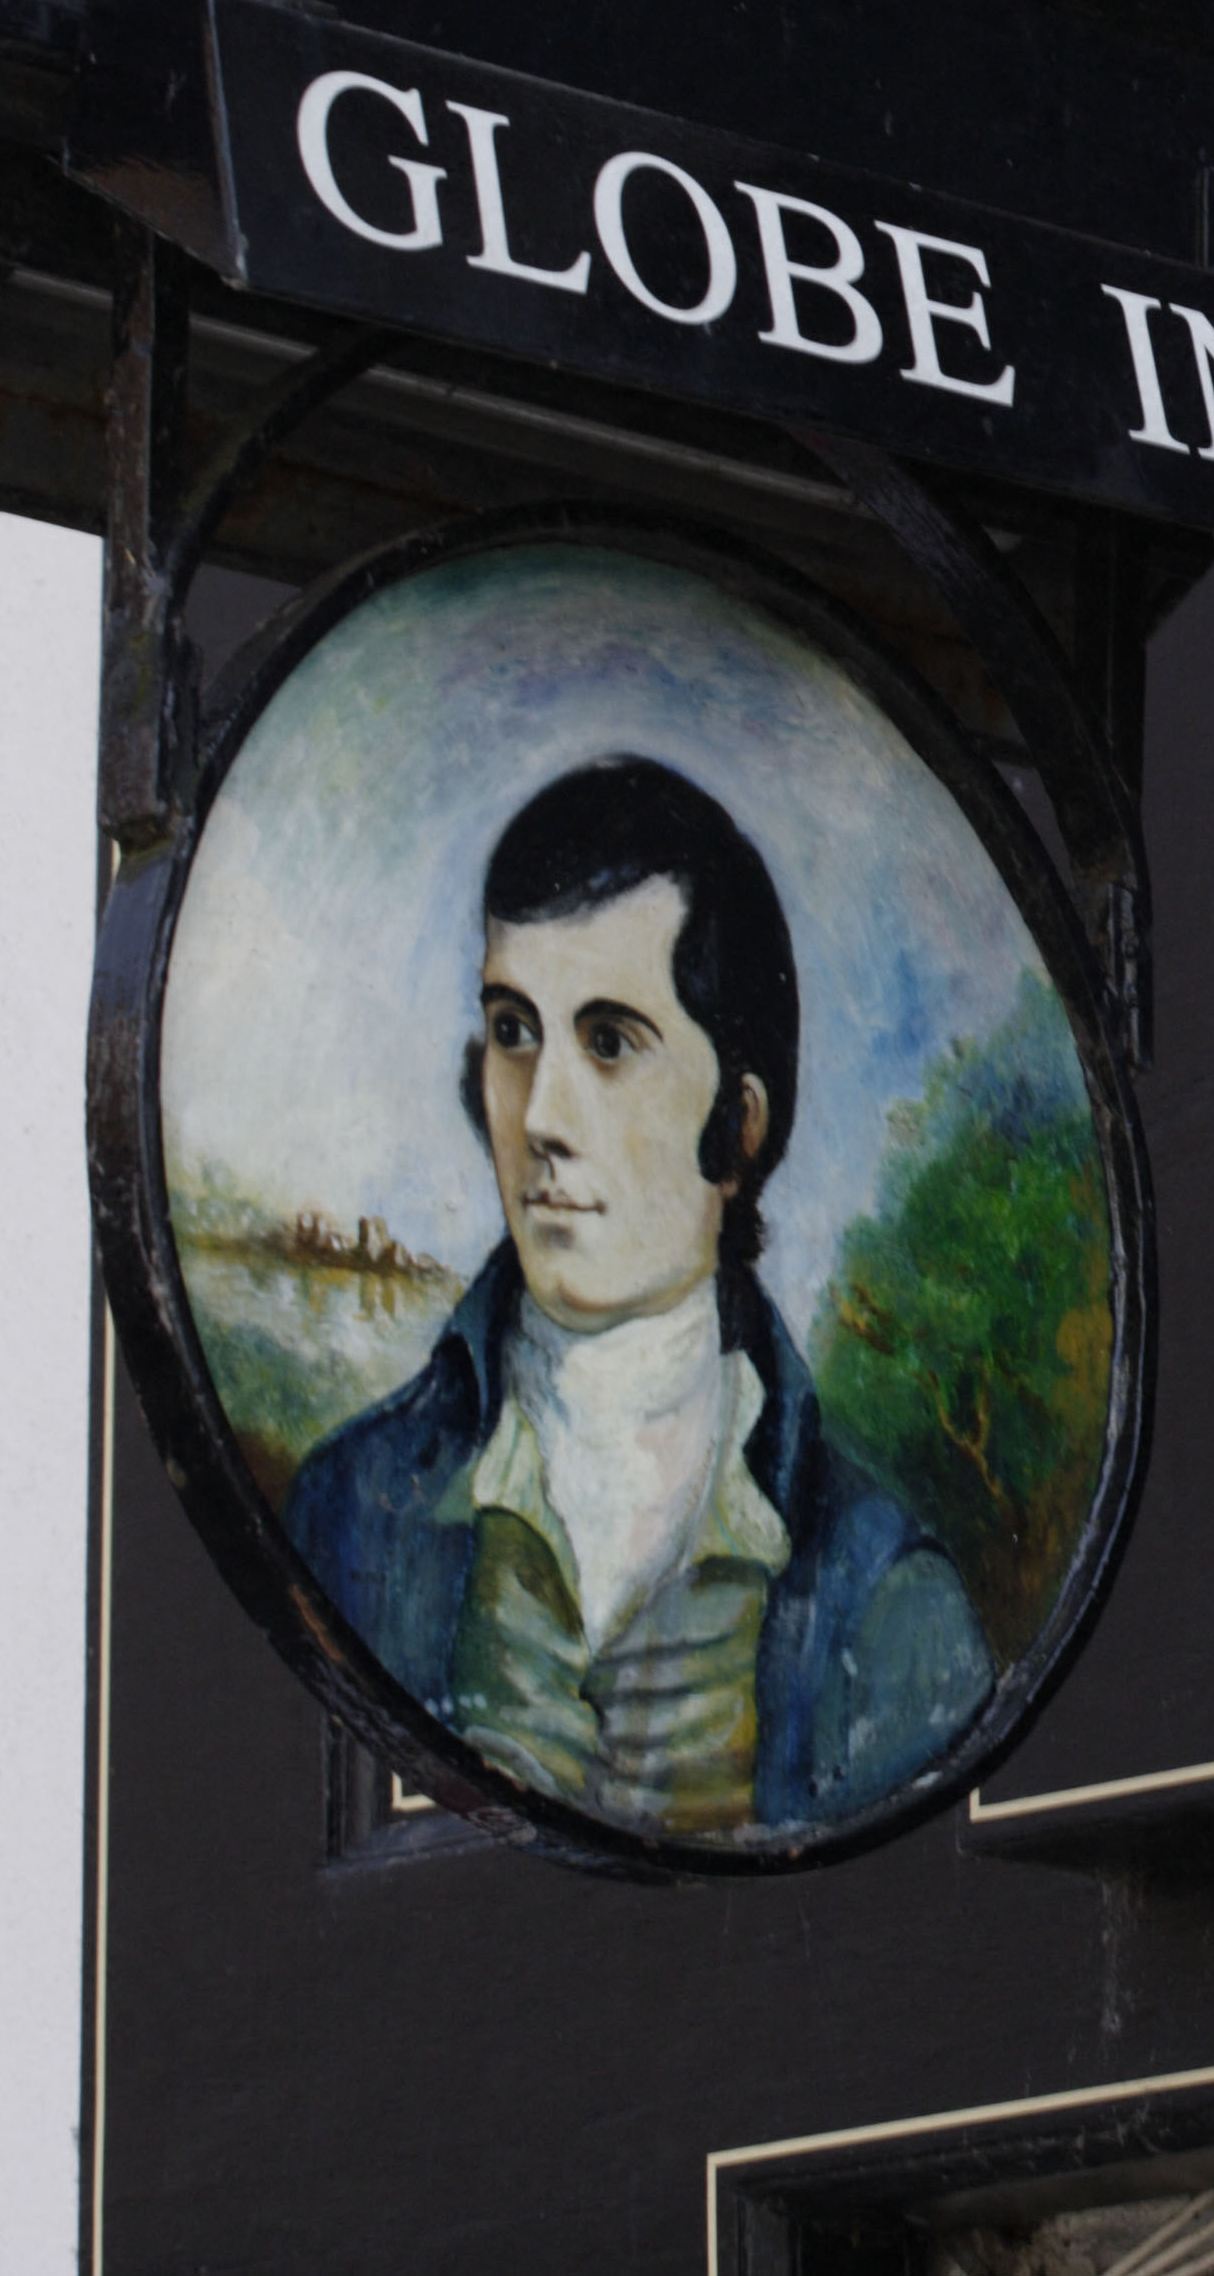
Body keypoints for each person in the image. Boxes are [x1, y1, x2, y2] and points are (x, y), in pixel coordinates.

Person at [285, 755, 989, 1838]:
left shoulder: (886, 1598)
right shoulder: (340, 1513)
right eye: (515, 1031)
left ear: (740, 1126)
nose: (541, 1116)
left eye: (609, 1043)